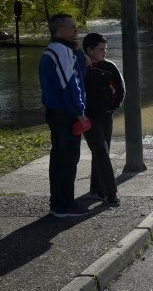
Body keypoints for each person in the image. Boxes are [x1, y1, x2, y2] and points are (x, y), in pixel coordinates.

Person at [39, 13, 90, 217]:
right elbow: (69, 85)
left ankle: (59, 202)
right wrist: (80, 113)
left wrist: (78, 52)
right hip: (64, 114)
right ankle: (64, 205)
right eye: (72, 27)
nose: (75, 29)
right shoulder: (59, 51)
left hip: (59, 112)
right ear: (61, 30)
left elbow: (79, 77)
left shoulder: (62, 50)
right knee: (67, 160)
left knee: (61, 158)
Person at [82, 33, 125, 207]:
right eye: (101, 49)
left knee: (101, 152)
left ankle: (96, 190)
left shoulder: (110, 66)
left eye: (105, 48)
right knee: (101, 152)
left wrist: (112, 109)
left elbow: (121, 90)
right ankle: (111, 193)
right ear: (89, 50)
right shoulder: (80, 67)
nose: (105, 52)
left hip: (106, 116)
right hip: (87, 117)